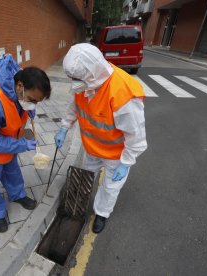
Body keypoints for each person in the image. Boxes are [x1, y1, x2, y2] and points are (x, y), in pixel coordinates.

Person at [54, 43, 147, 233]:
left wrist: (126, 162)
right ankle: (78, 204)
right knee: (86, 176)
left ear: (91, 74)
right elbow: (75, 105)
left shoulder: (123, 93)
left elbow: (135, 135)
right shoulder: (86, 82)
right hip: (92, 148)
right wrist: (64, 126)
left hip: (115, 155)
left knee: (110, 187)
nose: (73, 83)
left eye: (75, 78)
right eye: (71, 78)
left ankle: (102, 213)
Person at [0, 54, 51, 233]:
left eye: (37, 102)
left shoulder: (19, 86)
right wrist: (21, 145)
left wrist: (27, 111)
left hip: (7, 144)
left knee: (12, 172)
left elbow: (15, 109)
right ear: (20, 87)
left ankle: (17, 195)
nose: (34, 104)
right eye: (32, 100)